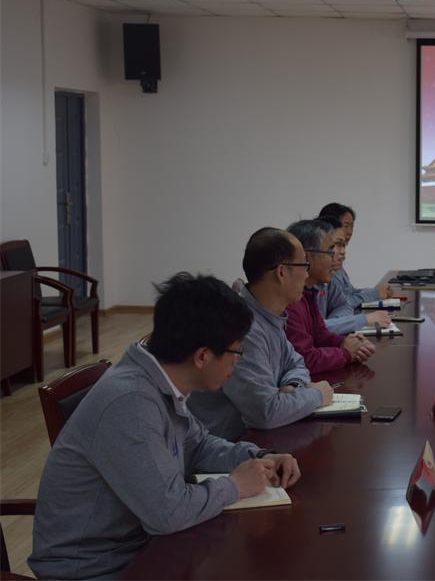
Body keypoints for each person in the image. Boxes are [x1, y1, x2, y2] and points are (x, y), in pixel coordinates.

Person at [29, 273, 302, 580]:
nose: (238, 362)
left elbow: (198, 445)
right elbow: (167, 512)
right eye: (237, 352)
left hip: (140, 546)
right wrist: (235, 486)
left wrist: (258, 457)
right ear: (202, 356)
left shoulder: (160, 379)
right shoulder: (131, 402)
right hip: (94, 568)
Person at [188, 228, 334, 441]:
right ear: (282, 272)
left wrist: (294, 387)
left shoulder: (269, 314)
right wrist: (317, 395)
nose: (306, 274)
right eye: (304, 265)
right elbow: (265, 413)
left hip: (255, 439)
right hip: (226, 446)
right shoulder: (242, 327)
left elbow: (296, 363)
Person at [285, 218, 375, 376]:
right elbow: (305, 359)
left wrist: (345, 342)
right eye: (329, 251)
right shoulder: (289, 300)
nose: (335, 257)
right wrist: (346, 353)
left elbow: (320, 335)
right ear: (306, 257)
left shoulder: (308, 292)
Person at [317, 202, 393, 334]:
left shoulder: (330, 273)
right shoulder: (305, 284)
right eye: (336, 245)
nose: (342, 252)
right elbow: (315, 330)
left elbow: (343, 304)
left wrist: (338, 322)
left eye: (352, 227)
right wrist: (359, 320)